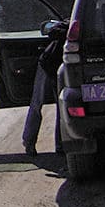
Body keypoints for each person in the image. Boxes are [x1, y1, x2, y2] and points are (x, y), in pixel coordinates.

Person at [22, 20, 67, 157]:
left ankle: (60, 146)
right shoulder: (75, 25)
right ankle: (29, 142)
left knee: (60, 107)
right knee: (39, 103)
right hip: (49, 64)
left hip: (57, 65)